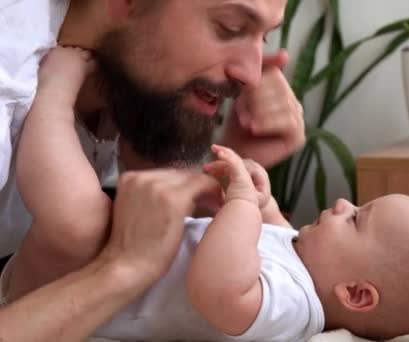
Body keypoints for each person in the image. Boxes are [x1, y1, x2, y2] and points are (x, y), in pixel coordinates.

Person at [4, 47, 409, 340]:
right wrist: (263, 202)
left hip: (59, 289)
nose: (341, 203)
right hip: (94, 259)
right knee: (83, 212)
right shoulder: (301, 261)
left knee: (75, 214)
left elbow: (218, 289)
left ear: (354, 294)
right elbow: (276, 234)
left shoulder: (294, 309)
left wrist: (244, 208)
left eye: (356, 218)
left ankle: (53, 95)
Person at [0, 0, 303, 339]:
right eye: (230, 27)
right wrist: (121, 270)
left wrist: (229, 165)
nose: (250, 74)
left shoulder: (121, 70)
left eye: (262, 39)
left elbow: (151, 188)